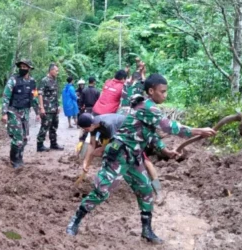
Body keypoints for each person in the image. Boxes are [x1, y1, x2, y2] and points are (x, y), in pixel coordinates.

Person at [66, 73, 217, 244]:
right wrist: (198, 130)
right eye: (162, 91)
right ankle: (75, 221)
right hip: (119, 155)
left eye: (166, 92)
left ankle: (147, 230)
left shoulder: (148, 109)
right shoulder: (148, 107)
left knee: (145, 190)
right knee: (102, 192)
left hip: (134, 157)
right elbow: (170, 127)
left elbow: (150, 135)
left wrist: (164, 150)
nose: (165, 95)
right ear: (151, 91)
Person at [1, 59, 39, 169]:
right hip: (13, 111)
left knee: (25, 138)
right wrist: (4, 113)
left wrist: (37, 112)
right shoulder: (13, 80)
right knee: (17, 137)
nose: (22, 69)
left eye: (25, 67)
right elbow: (6, 96)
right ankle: (14, 160)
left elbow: (34, 97)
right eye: (21, 67)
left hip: (26, 112)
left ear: (29, 69)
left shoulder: (33, 82)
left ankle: (20, 157)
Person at [36, 63, 64, 152]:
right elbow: (39, 94)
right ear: (51, 70)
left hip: (54, 109)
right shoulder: (44, 80)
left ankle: (53, 144)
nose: (57, 72)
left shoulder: (55, 80)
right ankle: (40, 145)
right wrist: (41, 108)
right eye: (56, 70)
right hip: (47, 109)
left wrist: (58, 105)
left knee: (54, 126)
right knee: (45, 127)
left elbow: (56, 94)